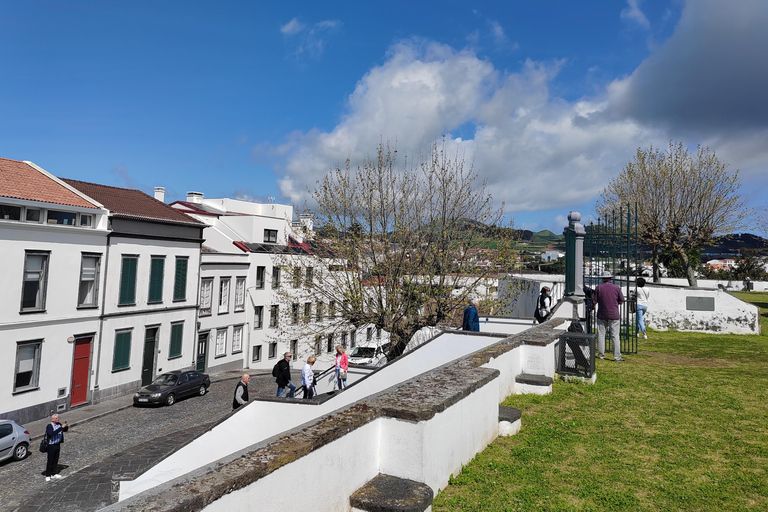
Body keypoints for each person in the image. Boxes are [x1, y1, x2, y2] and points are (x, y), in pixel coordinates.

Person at [594, 270, 625, 361]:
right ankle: (617, 356)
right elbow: (621, 300)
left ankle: (601, 354)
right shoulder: (616, 288)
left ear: (602, 278)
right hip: (614, 314)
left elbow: (594, 300)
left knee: (601, 335)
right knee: (615, 336)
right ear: (610, 278)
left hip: (602, 314)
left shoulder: (598, 288)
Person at [44, 414, 69, 481]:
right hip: (51, 445)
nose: (58, 419)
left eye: (58, 418)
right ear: (53, 419)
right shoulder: (49, 426)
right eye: (56, 418)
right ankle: (48, 474)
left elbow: (64, 430)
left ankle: (54, 473)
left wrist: (66, 426)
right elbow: (52, 434)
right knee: (50, 460)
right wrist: (61, 428)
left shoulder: (59, 424)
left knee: (55, 459)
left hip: (57, 444)